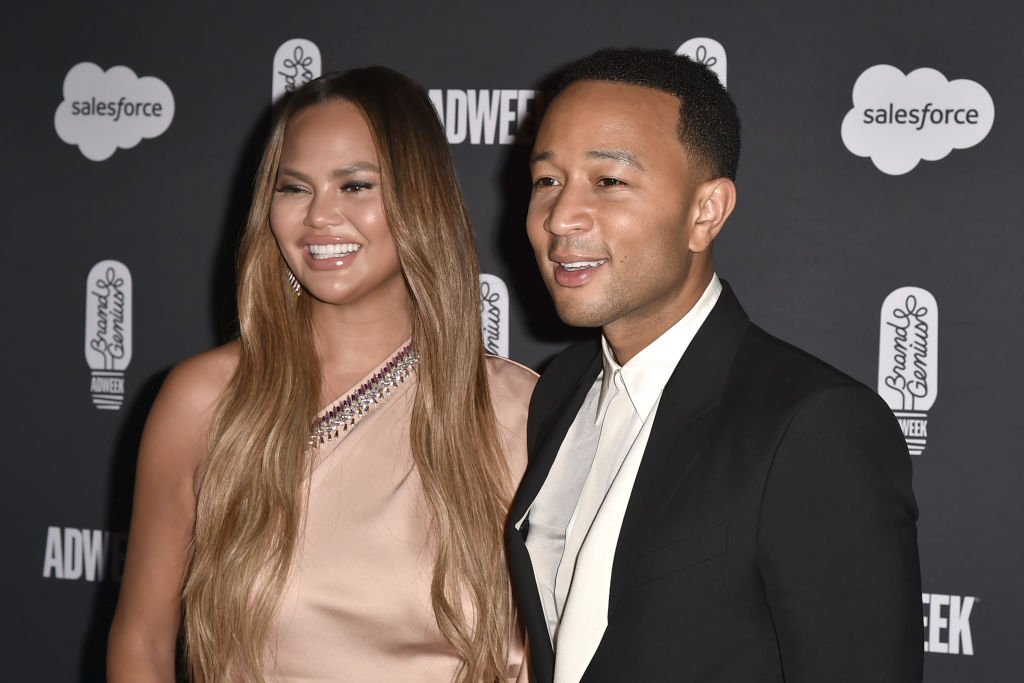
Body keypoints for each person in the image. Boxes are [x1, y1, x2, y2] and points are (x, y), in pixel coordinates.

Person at [506, 48, 922, 683]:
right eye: (547, 181)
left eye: (609, 181)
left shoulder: (812, 426)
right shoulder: (560, 389)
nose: (561, 217)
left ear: (706, 212)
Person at [108, 66, 536, 683]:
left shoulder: (516, 413)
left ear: (420, 199)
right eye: (294, 188)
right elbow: (141, 645)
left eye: (356, 185)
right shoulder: (207, 400)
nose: (319, 218)